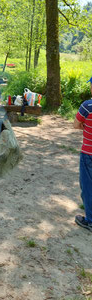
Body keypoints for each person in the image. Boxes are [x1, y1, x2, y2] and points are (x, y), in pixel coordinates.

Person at [74, 77, 92, 232]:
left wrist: (86, 127)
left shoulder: (87, 106)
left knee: (87, 185)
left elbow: (76, 124)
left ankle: (90, 221)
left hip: (88, 153)